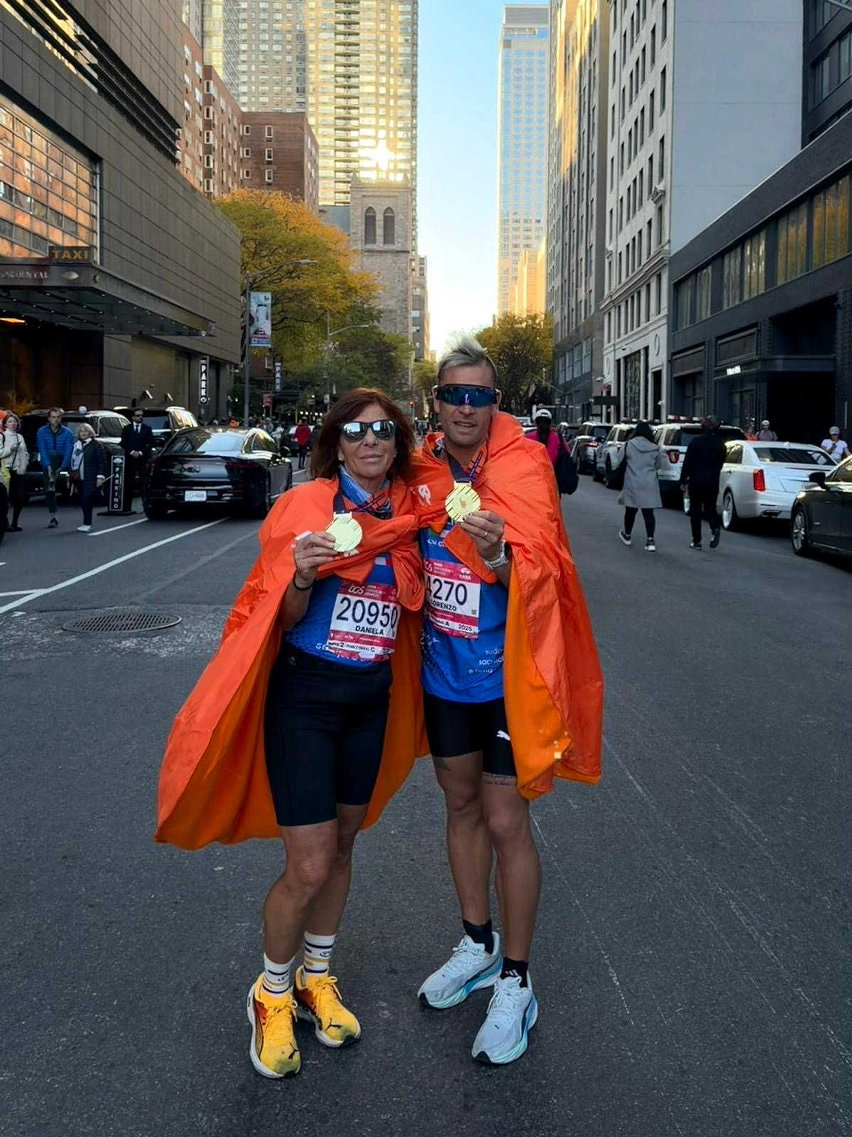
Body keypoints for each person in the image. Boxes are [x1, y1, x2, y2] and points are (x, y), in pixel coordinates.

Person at [155, 388, 427, 1081]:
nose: (371, 441)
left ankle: (316, 976)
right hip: (305, 698)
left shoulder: (411, 515)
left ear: (397, 444)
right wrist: (301, 576)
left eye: (384, 432)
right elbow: (276, 611)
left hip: (371, 699)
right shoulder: (303, 510)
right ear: (336, 444)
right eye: (357, 431)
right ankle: (270, 992)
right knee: (307, 864)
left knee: (340, 850)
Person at [409, 335, 603, 1066]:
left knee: (503, 816)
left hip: (508, 679)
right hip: (444, 677)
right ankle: (477, 942)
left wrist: (496, 557)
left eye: (480, 395)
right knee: (459, 807)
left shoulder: (524, 464)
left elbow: (549, 566)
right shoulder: (421, 469)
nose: (466, 407)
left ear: (497, 401)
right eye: (454, 393)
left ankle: (517, 977)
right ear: (437, 399)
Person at [680, 415, 726, 550]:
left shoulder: (696, 442)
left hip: (697, 480)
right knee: (710, 508)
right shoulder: (720, 444)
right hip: (712, 481)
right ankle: (715, 527)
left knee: (695, 511)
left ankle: (696, 541)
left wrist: (683, 479)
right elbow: (721, 462)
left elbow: (688, 462)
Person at [617, 420, 662, 551]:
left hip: (632, 481)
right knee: (648, 513)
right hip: (649, 482)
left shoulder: (629, 445)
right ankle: (650, 540)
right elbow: (659, 465)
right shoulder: (654, 447)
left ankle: (627, 534)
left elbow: (618, 461)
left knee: (631, 510)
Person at [525, 409, 578, 496]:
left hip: (546, 482)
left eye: (545, 422)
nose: (543, 425)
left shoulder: (528, 437)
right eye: (540, 422)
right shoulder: (558, 438)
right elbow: (568, 454)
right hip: (541, 482)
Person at [36, 407, 74, 528]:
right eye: (53, 417)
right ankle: (53, 515)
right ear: (49, 418)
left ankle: (54, 479)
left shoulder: (67, 432)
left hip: (62, 461)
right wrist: (48, 467)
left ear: (61, 418)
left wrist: (63, 467)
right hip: (49, 463)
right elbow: (42, 450)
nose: (56, 420)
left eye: (58, 417)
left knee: (55, 454)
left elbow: (69, 451)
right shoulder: (42, 432)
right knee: (49, 490)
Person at [70, 423, 107, 532]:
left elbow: (102, 462)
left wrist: (100, 477)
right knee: (82, 500)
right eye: (81, 431)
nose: (83, 433)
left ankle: (87, 523)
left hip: (91, 476)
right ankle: (86, 522)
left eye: (86, 431)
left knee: (87, 499)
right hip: (78, 477)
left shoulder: (96, 445)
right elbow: (72, 461)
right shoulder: (76, 445)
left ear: (90, 433)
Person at [120, 408, 154, 511]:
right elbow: (123, 443)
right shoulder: (127, 429)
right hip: (130, 459)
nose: (140, 417)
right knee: (128, 483)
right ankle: (126, 507)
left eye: (141, 415)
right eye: (138, 415)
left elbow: (150, 443)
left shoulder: (147, 429)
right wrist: (131, 452)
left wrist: (141, 452)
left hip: (142, 459)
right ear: (133, 417)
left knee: (143, 483)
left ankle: (145, 506)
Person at [1, 412, 29, 533]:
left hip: (19, 471)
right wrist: (9, 449)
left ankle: (15, 522)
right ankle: (4, 522)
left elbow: (25, 452)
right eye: (10, 422)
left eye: (15, 422)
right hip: (6, 471)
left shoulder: (20, 437)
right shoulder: (2, 437)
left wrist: (25, 464)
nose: (13, 424)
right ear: (5, 424)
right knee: (5, 499)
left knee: (20, 497)